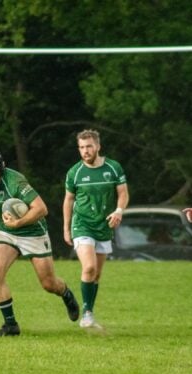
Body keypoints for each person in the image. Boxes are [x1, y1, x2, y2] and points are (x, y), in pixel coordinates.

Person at [0, 148, 79, 337]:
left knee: (49, 284)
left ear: (0, 169)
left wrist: (18, 222)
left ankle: (66, 294)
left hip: (33, 232)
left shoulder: (15, 182)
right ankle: (11, 325)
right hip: (7, 233)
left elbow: (41, 209)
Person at [63, 129, 129, 329]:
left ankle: (88, 312)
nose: (85, 151)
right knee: (89, 267)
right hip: (82, 224)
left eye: (89, 146)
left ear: (98, 146)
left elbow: (123, 193)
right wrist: (66, 228)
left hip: (104, 225)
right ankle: (87, 315)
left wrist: (118, 211)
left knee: (96, 275)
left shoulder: (113, 167)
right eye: (82, 147)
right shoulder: (75, 172)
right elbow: (68, 200)